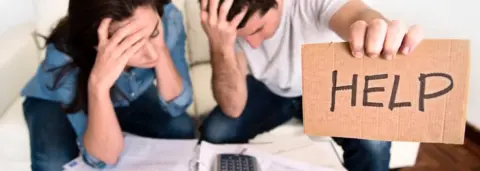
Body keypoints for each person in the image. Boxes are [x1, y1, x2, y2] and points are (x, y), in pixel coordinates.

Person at [198, 0, 424, 170]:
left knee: (373, 142)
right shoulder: (224, 28)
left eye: (258, 30)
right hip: (270, 89)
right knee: (216, 130)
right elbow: (233, 108)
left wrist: (376, 31)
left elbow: (358, 14)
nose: (253, 44)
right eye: (242, 38)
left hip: (328, 86)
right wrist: (222, 46)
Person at [21, 0, 195, 170]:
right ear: (98, 44)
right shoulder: (63, 61)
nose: (151, 56)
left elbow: (177, 105)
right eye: (133, 45)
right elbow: (103, 159)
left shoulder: (167, 17)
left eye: (154, 33)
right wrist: (98, 86)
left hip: (124, 93)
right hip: (54, 100)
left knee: (181, 128)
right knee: (53, 163)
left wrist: (161, 46)